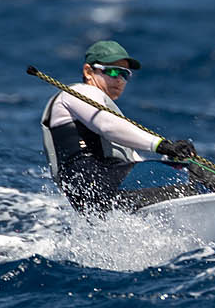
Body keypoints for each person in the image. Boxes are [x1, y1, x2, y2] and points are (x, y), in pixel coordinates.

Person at [40, 40, 203, 213]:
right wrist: (162, 145)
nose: (119, 80)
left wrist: (171, 160)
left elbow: (135, 162)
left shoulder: (102, 109)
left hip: (92, 195)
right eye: (112, 71)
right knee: (191, 173)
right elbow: (107, 126)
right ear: (88, 71)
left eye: (124, 75)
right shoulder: (79, 93)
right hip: (98, 180)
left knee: (179, 183)